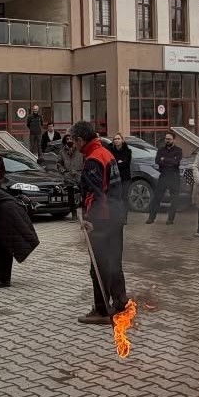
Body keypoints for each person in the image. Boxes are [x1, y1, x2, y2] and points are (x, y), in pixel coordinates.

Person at [74, 121, 128, 325]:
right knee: (114, 262)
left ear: (81, 140)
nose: (74, 146)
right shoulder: (107, 153)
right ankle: (120, 303)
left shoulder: (93, 160)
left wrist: (90, 219)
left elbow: (96, 195)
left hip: (102, 220)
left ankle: (102, 310)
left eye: (74, 141)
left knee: (99, 266)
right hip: (116, 216)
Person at [57, 135, 84, 210]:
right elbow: (59, 164)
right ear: (65, 141)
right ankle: (73, 213)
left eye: (71, 138)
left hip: (79, 175)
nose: (69, 140)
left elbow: (85, 161)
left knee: (84, 195)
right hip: (68, 176)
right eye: (67, 139)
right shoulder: (62, 152)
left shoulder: (80, 150)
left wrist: (83, 171)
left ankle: (85, 213)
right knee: (70, 198)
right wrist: (64, 172)